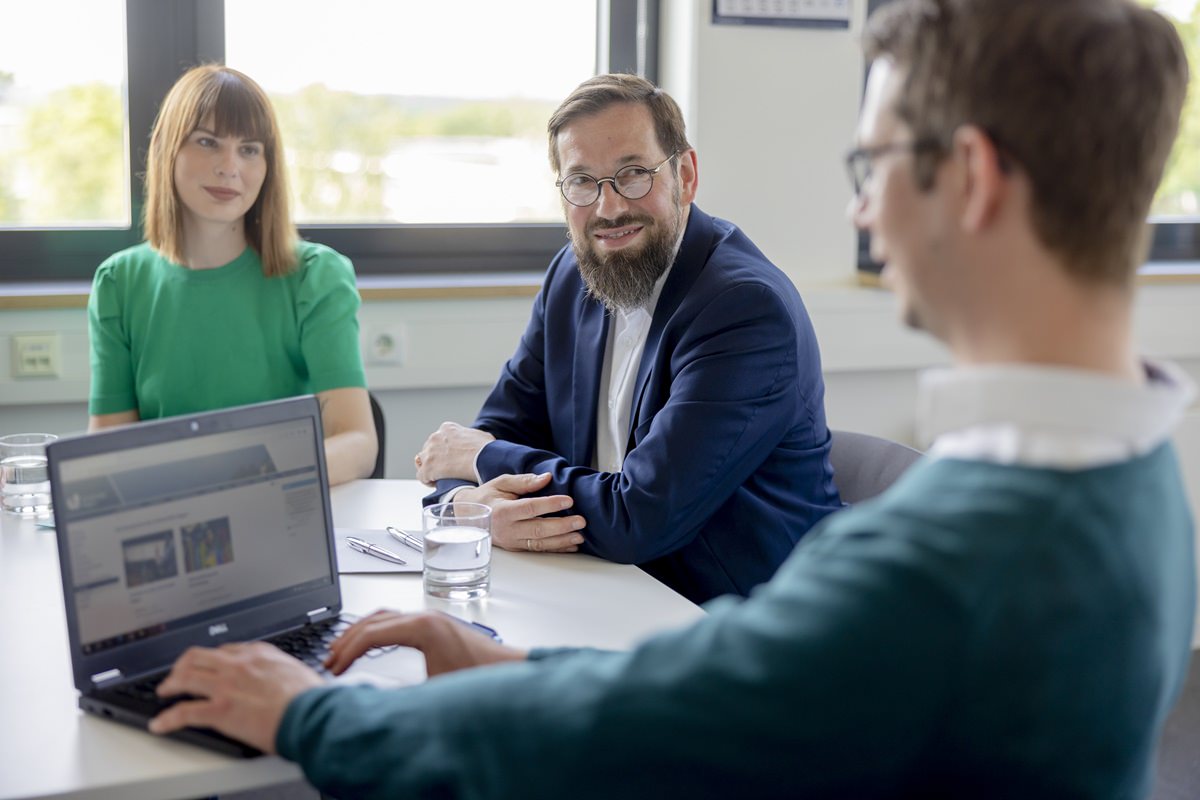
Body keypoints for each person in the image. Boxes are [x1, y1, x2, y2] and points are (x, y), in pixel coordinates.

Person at [149, 0, 1196, 796]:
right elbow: (740, 679)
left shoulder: (958, 561)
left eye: (870, 160)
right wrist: (491, 652)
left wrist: (310, 714)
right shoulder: (1134, 474)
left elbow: (638, 727)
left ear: (968, 178)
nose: (856, 203)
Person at [413, 73, 842, 604]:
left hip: (737, 620)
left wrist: (483, 461)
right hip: (606, 588)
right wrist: (471, 506)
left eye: (633, 174)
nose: (608, 208)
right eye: (582, 182)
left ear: (685, 175)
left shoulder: (745, 310)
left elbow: (639, 516)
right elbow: (496, 429)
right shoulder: (571, 277)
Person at [87, 65, 376, 486]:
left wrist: (242, 480)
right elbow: (110, 448)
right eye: (207, 142)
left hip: (281, 506)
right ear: (169, 150)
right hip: (171, 515)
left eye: (249, 149)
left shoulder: (317, 275)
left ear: (267, 165)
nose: (229, 166)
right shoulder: (118, 282)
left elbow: (357, 441)